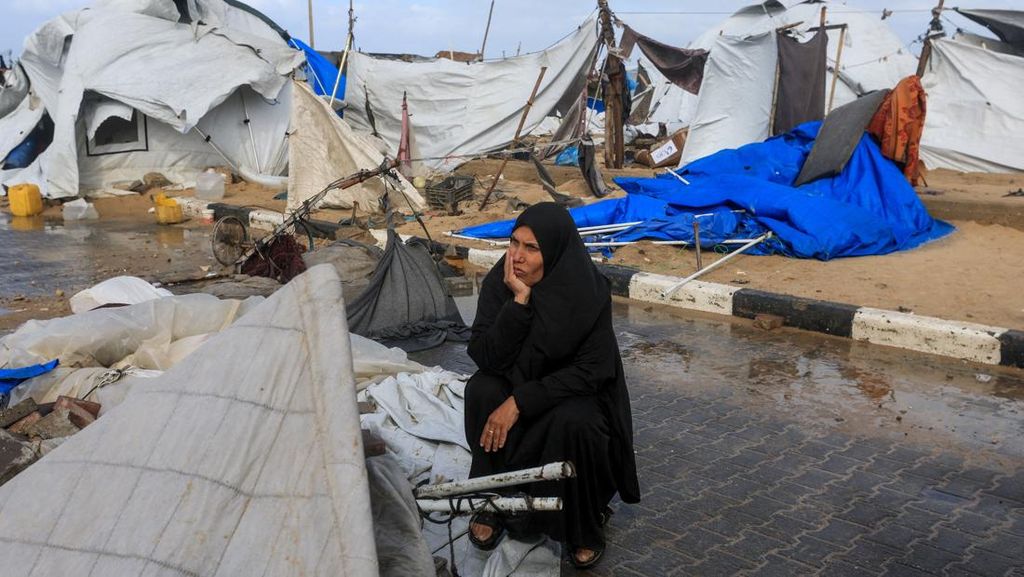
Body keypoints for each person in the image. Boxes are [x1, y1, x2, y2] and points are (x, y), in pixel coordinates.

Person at [463, 202, 641, 569]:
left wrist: (521, 401)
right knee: (482, 390)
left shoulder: (588, 291)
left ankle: (584, 523)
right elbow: (485, 355)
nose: (517, 256)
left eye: (531, 248)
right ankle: (495, 500)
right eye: (514, 243)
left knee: (576, 421)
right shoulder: (501, 282)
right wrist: (519, 303)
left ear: (555, 251)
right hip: (516, 384)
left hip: (567, 394)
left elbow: (592, 370)